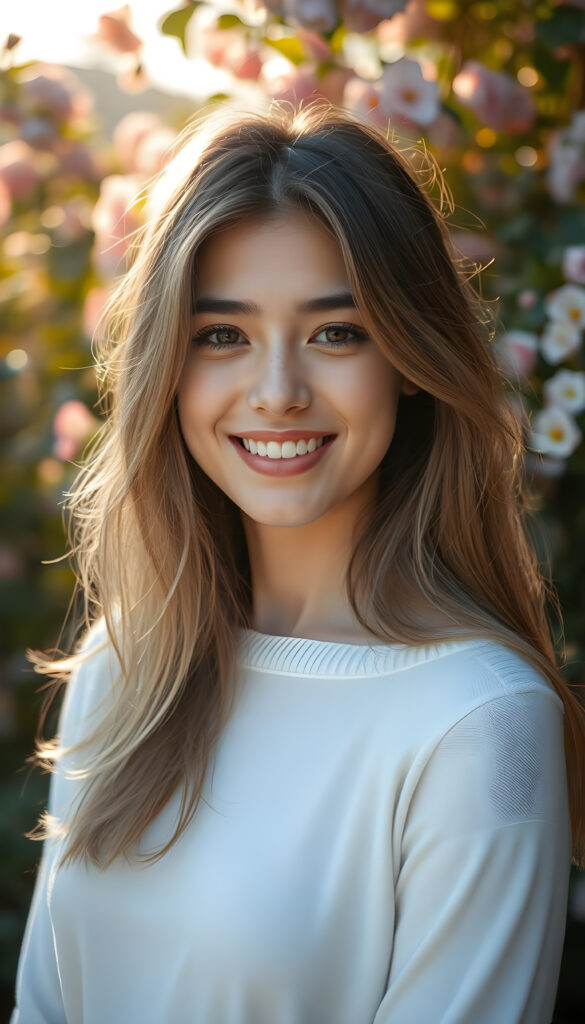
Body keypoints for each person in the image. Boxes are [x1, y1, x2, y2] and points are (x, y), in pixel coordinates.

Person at [11, 102, 584, 1024]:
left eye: (335, 332)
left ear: (407, 355)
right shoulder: (126, 666)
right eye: (223, 335)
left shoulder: (478, 723)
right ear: (169, 363)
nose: (276, 392)